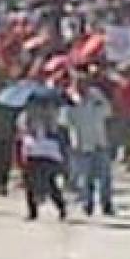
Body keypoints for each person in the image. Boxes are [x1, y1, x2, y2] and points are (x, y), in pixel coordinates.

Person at [62, 76, 115, 216]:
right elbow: (63, 121)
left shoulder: (96, 95)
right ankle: (87, 203)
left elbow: (108, 111)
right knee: (85, 178)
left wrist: (97, 105)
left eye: (83, 83)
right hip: (81, 144)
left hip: (99, 141)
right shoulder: (69, 99)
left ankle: (106, 204)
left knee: (105, 177)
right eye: (77, 84)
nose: (81, 86)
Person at [16, 95, 68, 221]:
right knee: (31, 181)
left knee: (48, 181)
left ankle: (60, 207)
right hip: (34, 150)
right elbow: (21, 130)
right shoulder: (27, 116)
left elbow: (60, 130)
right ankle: (34, 211)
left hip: (47, 151)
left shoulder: (54, 113)